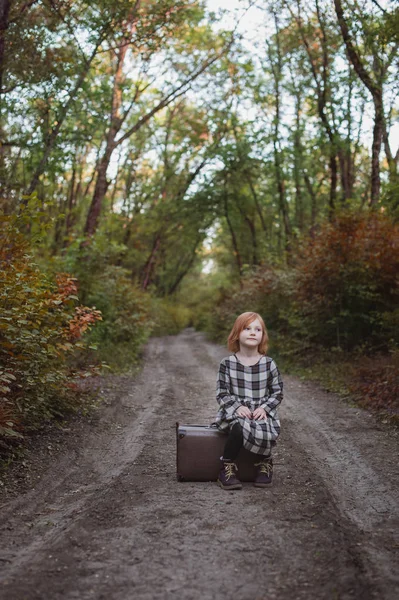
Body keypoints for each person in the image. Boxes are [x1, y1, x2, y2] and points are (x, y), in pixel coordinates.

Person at [215, 312, 283, 490]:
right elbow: (222, 392)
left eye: (257, 329)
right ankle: (226, 466)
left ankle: (264, 463)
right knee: (238, 426)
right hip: (236, 411)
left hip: (260, 410)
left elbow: (277, 393)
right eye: (247, 328)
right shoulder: (227, 364)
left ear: (262, 336)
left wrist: (265, 409)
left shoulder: (269, 364)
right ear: (237, 334)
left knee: (265, 427)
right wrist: (237, 407)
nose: (253, 332)